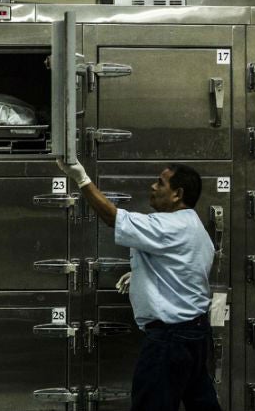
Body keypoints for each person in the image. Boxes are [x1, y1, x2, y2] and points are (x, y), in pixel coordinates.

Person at [57, 159, 221, 411]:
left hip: (169, 339)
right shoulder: (193, 225)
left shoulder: (169, 225)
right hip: (195, 335)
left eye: (161, 182)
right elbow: (184, 270)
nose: (153, 186)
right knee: (202, 405)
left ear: (177, 194)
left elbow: (113, 217)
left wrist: (81, 178)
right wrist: (142, 274)